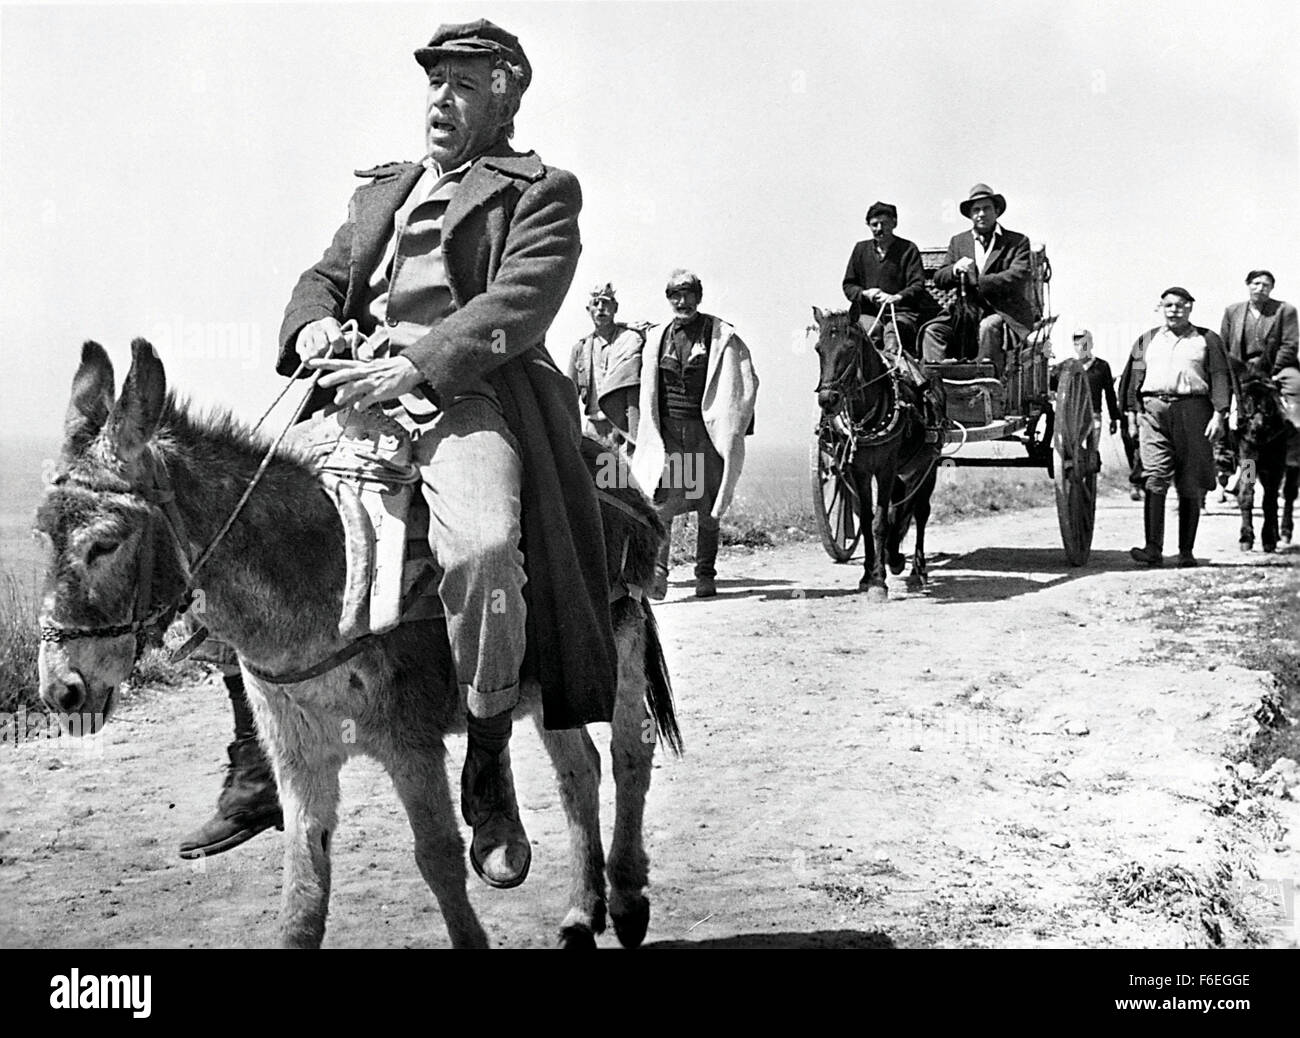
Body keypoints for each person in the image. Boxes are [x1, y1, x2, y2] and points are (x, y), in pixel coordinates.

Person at [260, 19, 616, 890]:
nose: (439, 101)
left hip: (466, 395)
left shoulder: (543, 190)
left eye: (460, 84)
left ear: (506, 93)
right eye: (433, 85)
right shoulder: (387, 188)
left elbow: (520, 303)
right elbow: (325, 274)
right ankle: (250, 759)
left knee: (488, 549)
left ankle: (488, 760)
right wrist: (313, 328)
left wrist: (414, 363)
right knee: (246, 525)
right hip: (353, 389)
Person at [630, 269, 758, 600]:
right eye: (675, 295)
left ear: (698, 297)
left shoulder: (720, 336)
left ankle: (705, 575)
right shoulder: (657, 338)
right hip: (670, 433)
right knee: (664, 502)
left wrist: (735, 427)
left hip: (705, 433)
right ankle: (659, 573)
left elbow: (742, 381)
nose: (681, 301)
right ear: (668, 298)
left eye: (687, 294)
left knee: (707, 503)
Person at [1119, 287, 1230, 567]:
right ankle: (1152, 549)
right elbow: (1133, 379)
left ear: (1190, 308)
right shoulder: (1147, 340)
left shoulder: (1207, 339)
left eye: (1180, 305)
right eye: (1168, 305)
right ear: (1161, 308)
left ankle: (1186, 552)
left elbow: (1219, 376)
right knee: (1154, 476)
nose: (1174, 310)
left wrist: (1220, 414)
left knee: (1190, 481)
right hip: (1154, 412)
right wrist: (1133, 412)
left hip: (1194, 412)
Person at [920, 183, 1036, 378]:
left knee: (988, 327)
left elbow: (1018, 275)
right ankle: (937, 387)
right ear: (970, 215)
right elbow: (940, 277)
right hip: (964, 313)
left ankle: (985, 382)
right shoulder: (959, 241)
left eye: (986, 208)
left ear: (996, 211)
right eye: (976, 210)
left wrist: (978, 281)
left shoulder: (1017, 241)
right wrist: (955, 270)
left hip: (1002, 311)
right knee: (933, 331)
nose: (981, 214)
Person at [1216, 270, 1300, 496]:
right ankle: (1224, 462)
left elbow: (1290, 345)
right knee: (1219, 405)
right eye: (1255, 283)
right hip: (1241, 370)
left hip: (1275, 368)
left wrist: (1270, 372)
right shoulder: (1233, 311)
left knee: (1296, 391)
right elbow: (1223, 345)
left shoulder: (1285, 310)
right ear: (1247, 285)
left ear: (1272, 288)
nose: (1260, 288)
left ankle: (1293, 457)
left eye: (1265, 284)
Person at [841, 201, 941, 359]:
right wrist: (865, 294)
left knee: (892, 333)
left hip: (902, 313)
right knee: (867, 332)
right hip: (869, 313)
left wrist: (896, 297)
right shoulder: (860, 250)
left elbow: (917, 285)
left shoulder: (908, 249)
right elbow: (848, 285)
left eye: (884, 224)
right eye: (874, 225)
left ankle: (899, 377)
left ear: (894, 223)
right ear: (868, 225)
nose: (879, 229)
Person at [566, 283, 644, 444]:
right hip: (594, 426)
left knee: (626, 468)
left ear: (615, 308)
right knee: (593, 467)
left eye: (606, 303)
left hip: (624, 425)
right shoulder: (580, 348)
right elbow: (569, 395)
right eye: (595, 303)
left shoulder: (630, 340)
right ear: (588, 311)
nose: (601, 308)